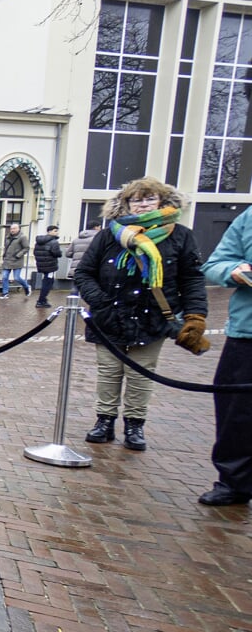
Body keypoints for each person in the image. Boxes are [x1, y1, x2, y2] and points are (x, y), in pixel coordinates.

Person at [74, 177, 208, 452]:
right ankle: (105, 420)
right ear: (126, 204)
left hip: (152, 317)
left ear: (162, 201)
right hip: (110, 316)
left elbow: (192, 278)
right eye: (137, 199)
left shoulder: (180, 235)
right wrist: (101, 302)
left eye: (149, 198)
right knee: (109, 371)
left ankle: (135, 424)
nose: (143, 204)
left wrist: (195, 315)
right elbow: (84, 272)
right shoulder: (110, 235)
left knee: (141, 373)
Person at [197, 207, 252, 506]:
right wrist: (234, 271)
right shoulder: (249, 218)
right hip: (247, 332)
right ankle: (235, 480)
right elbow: (216, 263)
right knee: (235, 409)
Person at [0, 222, 32, 299]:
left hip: (17, 261)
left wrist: (18, 255)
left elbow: (26, 248)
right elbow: (6, 247)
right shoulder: (7, 237)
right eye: (11, 228)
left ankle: (26, 286)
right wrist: (4, 254)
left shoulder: (22, 237)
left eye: (14, 228)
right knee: (5, 276)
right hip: (7, 260)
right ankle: (5, 293)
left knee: (17, 278)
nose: (12, 230)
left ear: (18, 229)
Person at [33, 224, 62, 308]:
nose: (57, 233)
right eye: (55, 231)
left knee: (46, 281)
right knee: (48, 283)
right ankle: (41, 300)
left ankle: (43, 299)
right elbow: (57, 253)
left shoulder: (39, 242)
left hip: (41, 265)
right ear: (49, 231)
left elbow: (35, 252)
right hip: (50, 266)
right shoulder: (54, 242)